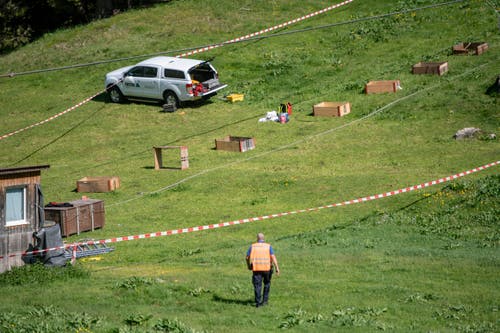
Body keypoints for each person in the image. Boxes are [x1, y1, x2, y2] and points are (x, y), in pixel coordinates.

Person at [246, 232, 280, 307]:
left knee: (257, 286)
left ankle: (258, 303)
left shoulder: (253, 246)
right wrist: (277, 267)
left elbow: (247, 257)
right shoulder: (268, 246)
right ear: (263, 239)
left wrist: (249, 265)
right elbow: (273, 257)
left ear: (257, 239)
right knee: (267, 284)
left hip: (256, 269)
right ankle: (265, 301)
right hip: (267, 269)